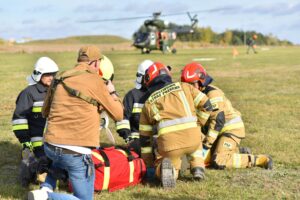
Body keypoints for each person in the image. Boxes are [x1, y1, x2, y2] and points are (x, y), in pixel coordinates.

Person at [28, 45, 123, 200]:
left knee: (58, 160)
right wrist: (112, 92)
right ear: (96, 63)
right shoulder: (96, 81)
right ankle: (46, 197)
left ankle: (45, 188)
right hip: (76, 152)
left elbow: (45, 111)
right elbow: (118, 115)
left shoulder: (60, 77)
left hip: (50, 146)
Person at [180, 62, 273, 170]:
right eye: (186, 85)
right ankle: (235, 151)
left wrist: (206, 146)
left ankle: (258, 160)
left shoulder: (213, 94)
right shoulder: (193, 95)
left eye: (192, 84)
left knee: (218, 161)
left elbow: (218, 122)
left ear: (201, 81)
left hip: (230, 130)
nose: (189, 88)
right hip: (215, 132)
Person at [139, 62, 213, 188]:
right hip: (193, 140)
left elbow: (145, 139)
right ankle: (197, 167)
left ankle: (167, 171)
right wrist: (198, 123)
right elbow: (207, 105)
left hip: (170, 146)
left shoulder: (148, 103)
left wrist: (149, 164)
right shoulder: (185, 87)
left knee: (167, 163)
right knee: (196, 145)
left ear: (148, 80)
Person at [12, 57, 59, 187]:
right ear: (39, 75)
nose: (51, 77)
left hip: (53, 136)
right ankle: (25, 181)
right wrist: (25, 140)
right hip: (35, 138)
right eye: (47, 74)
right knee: (30, 162)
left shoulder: (56, 91)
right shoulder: (28, 93)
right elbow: (19, 118)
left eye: (53, 74)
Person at [115, 60, 154, 154]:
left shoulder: (158, 93)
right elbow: (122, 118)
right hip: (137, 141)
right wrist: (128, 137)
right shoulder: (132, 96)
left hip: (156, 140)